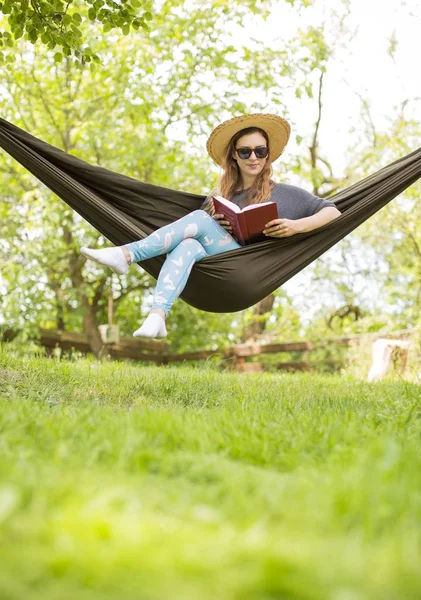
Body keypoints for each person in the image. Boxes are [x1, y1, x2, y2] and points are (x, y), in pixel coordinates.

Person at [81, 113, 341, 338]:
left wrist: (296, 226)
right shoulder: (221, 195)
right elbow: (200, 233)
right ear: (234, 157)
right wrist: (215, 223)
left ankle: (127, 254)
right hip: (220, 268)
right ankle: (157, 316)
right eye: (245, 151)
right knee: (188, 244)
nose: (254, 157)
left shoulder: (286, 194)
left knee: (198, 220)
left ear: (267, 155)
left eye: (260, 151)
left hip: (248, 271)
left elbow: (332, 211)